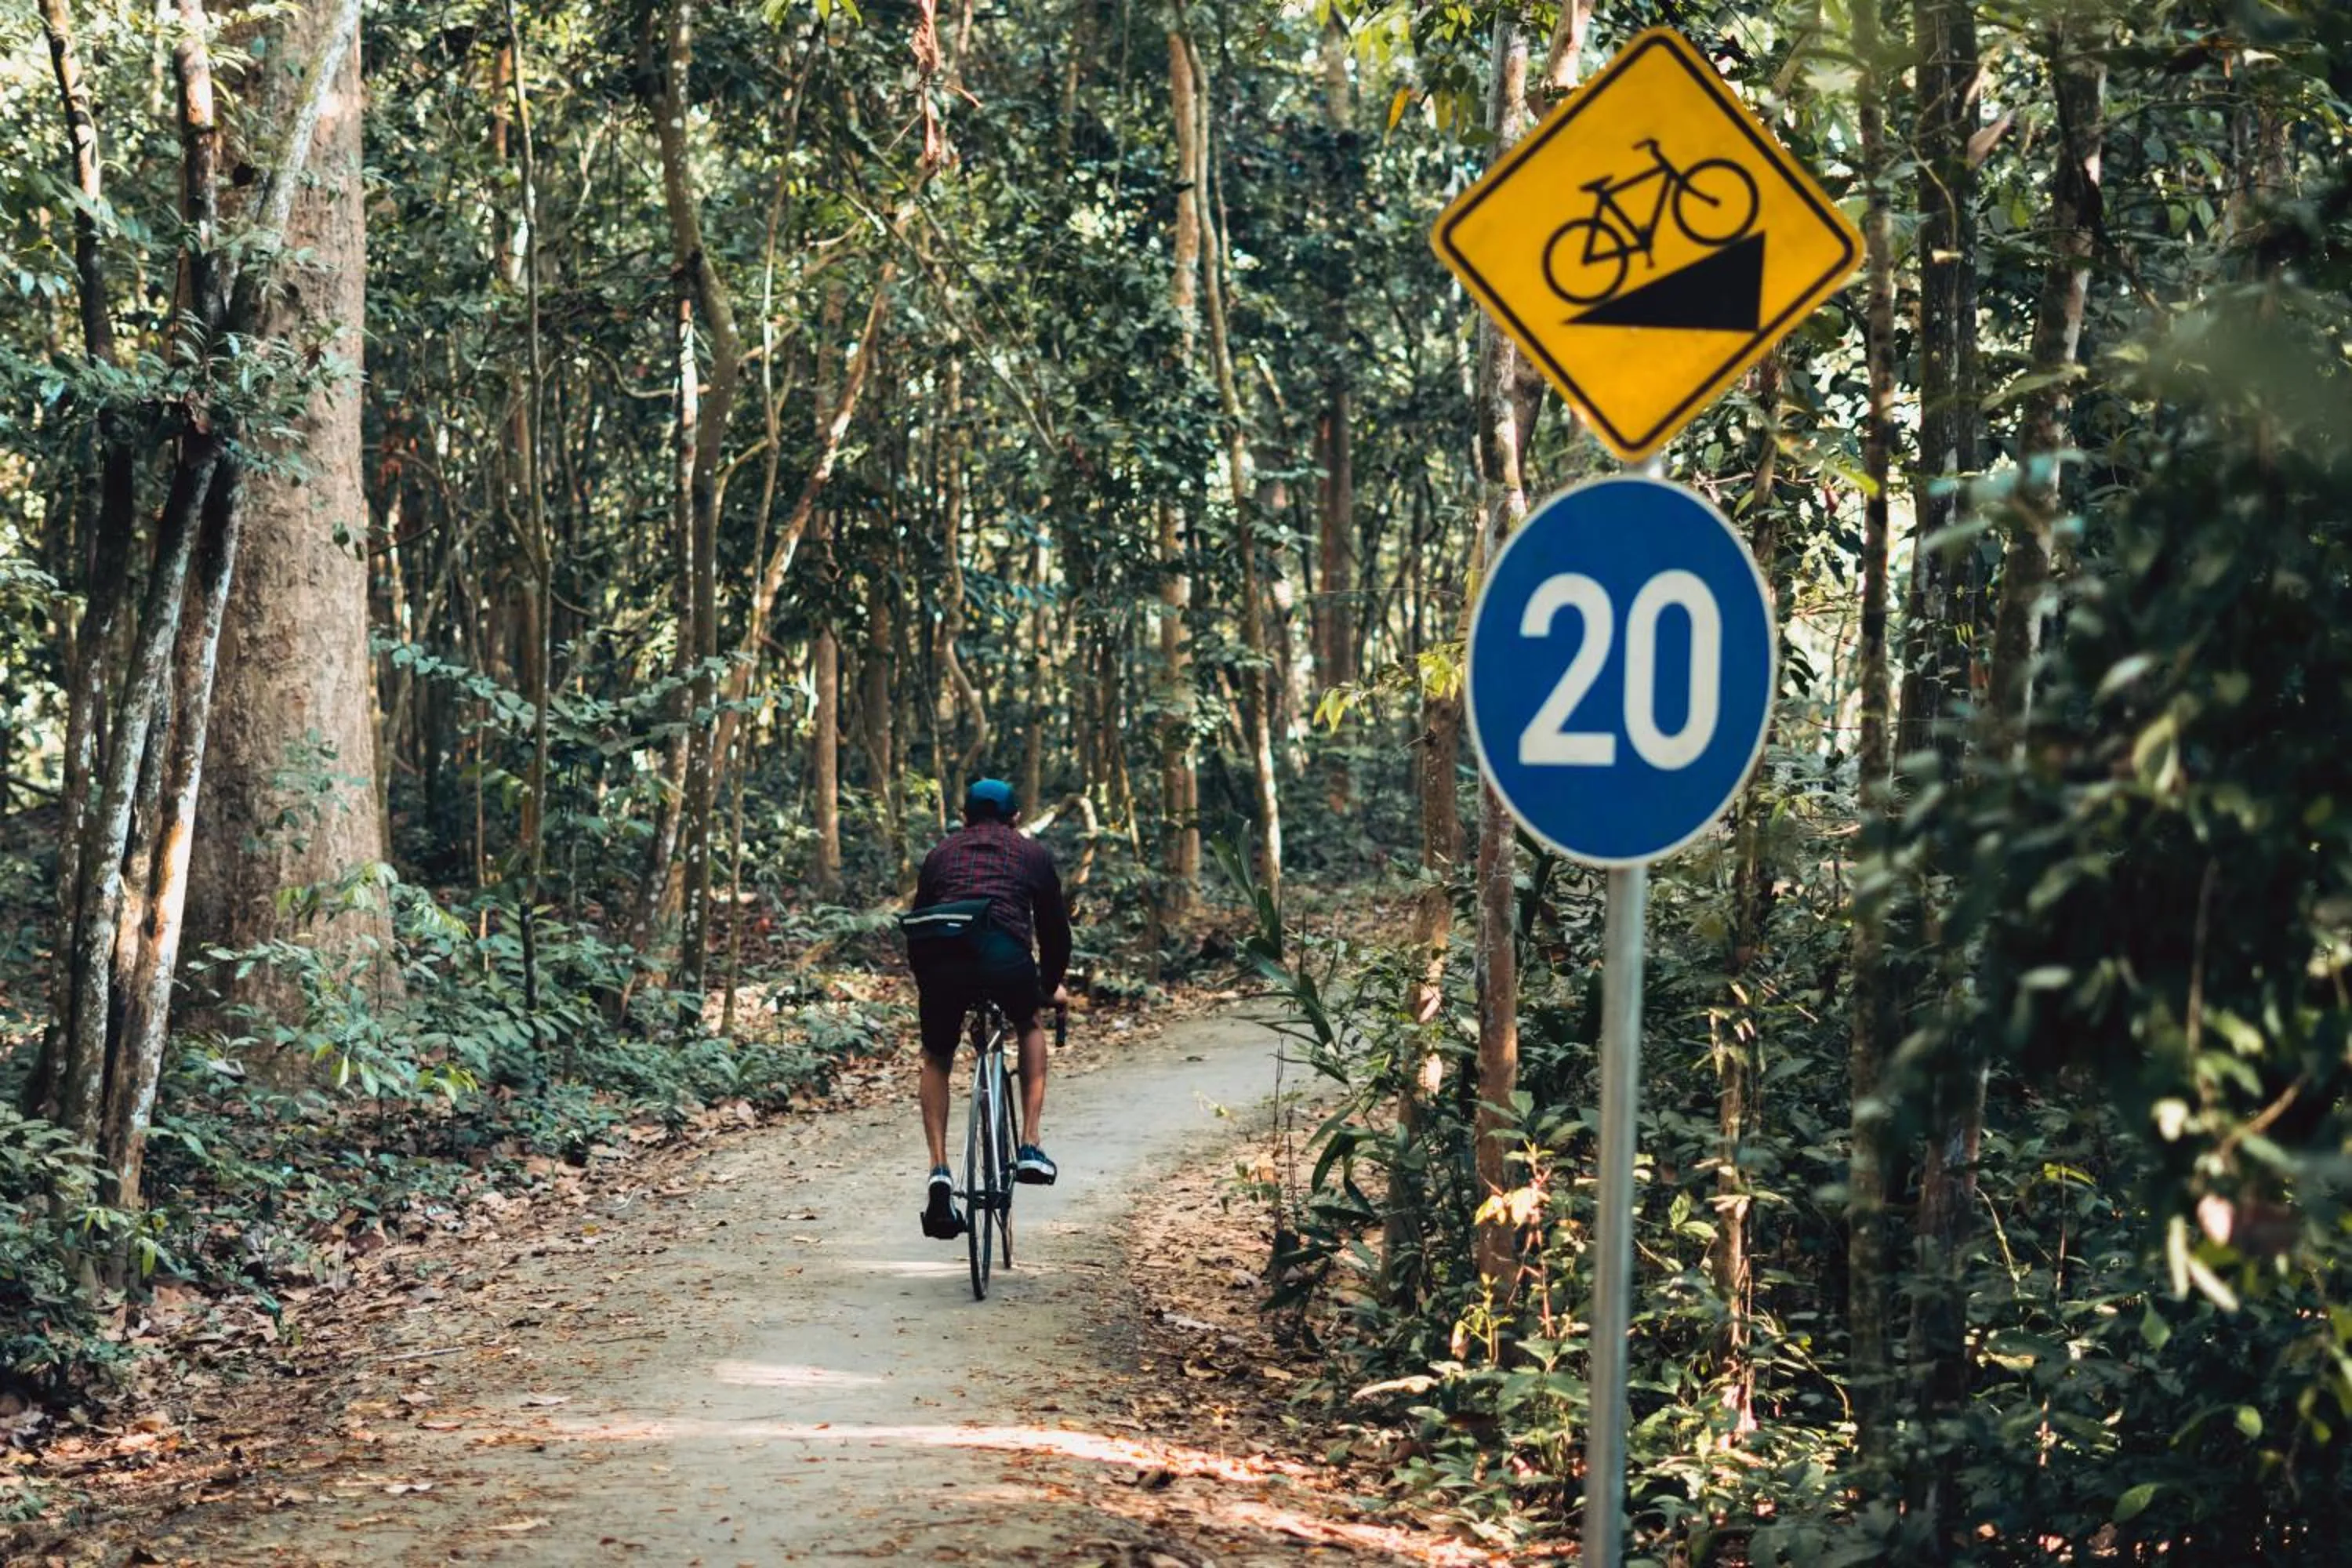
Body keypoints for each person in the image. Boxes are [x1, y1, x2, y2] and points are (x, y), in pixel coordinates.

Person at [903, 779, 1072, 1241]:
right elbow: (1056, 933)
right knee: (1029, 1024)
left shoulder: (941, 854)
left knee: (937, 1057)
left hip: (941, 962)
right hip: (1003, 957)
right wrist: (1047, 986)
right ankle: (1030, 1145)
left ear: (964, 817)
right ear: (1015, 817)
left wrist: (932, 989)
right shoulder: (1029, 854)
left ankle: (939, 1170)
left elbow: (919, 923)